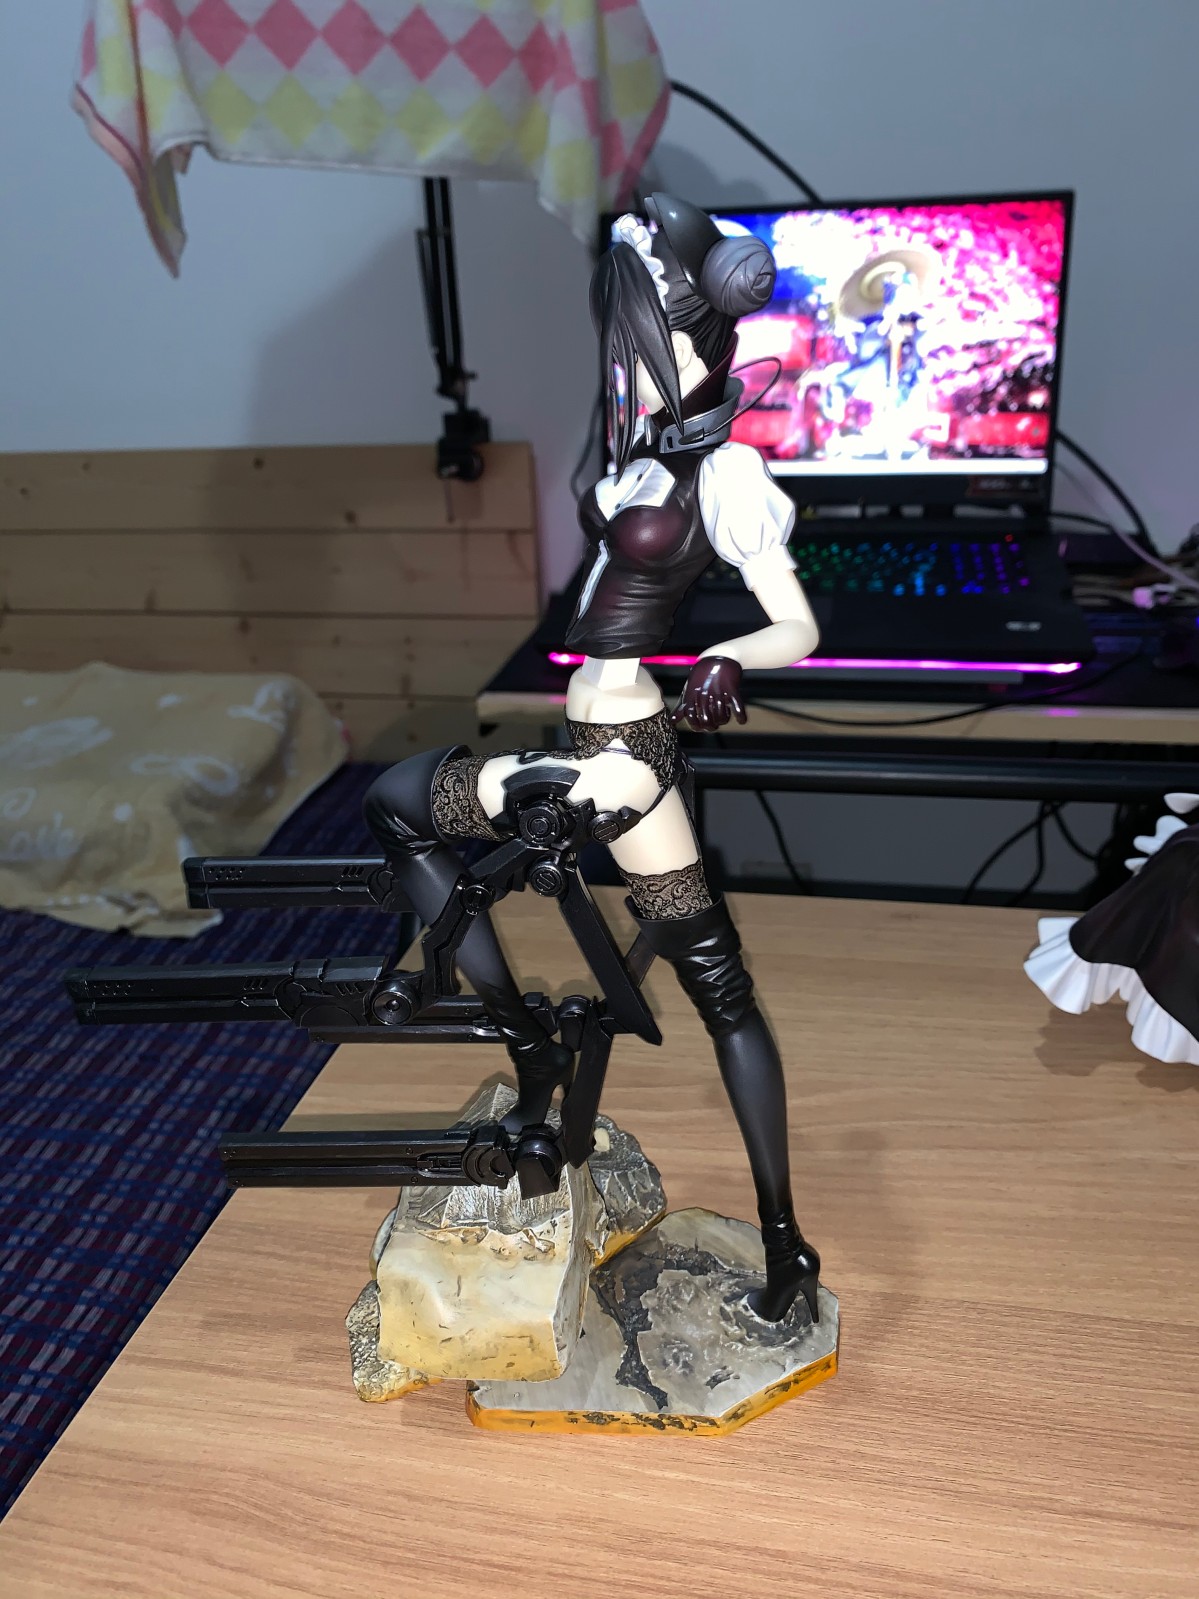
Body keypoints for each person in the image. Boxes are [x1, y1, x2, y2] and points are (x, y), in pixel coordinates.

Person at [362, 195, 823, 1324]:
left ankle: (541, 1057)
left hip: (622, 753)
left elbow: (797, 626)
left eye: (647, 338)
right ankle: (544, 1060)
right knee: (713, 978)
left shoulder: (727, 475)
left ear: (705, 334)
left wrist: (726, 655)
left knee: (403, 803)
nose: (630, 360)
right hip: (606, 739)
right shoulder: (643, 449)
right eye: (624, 342)